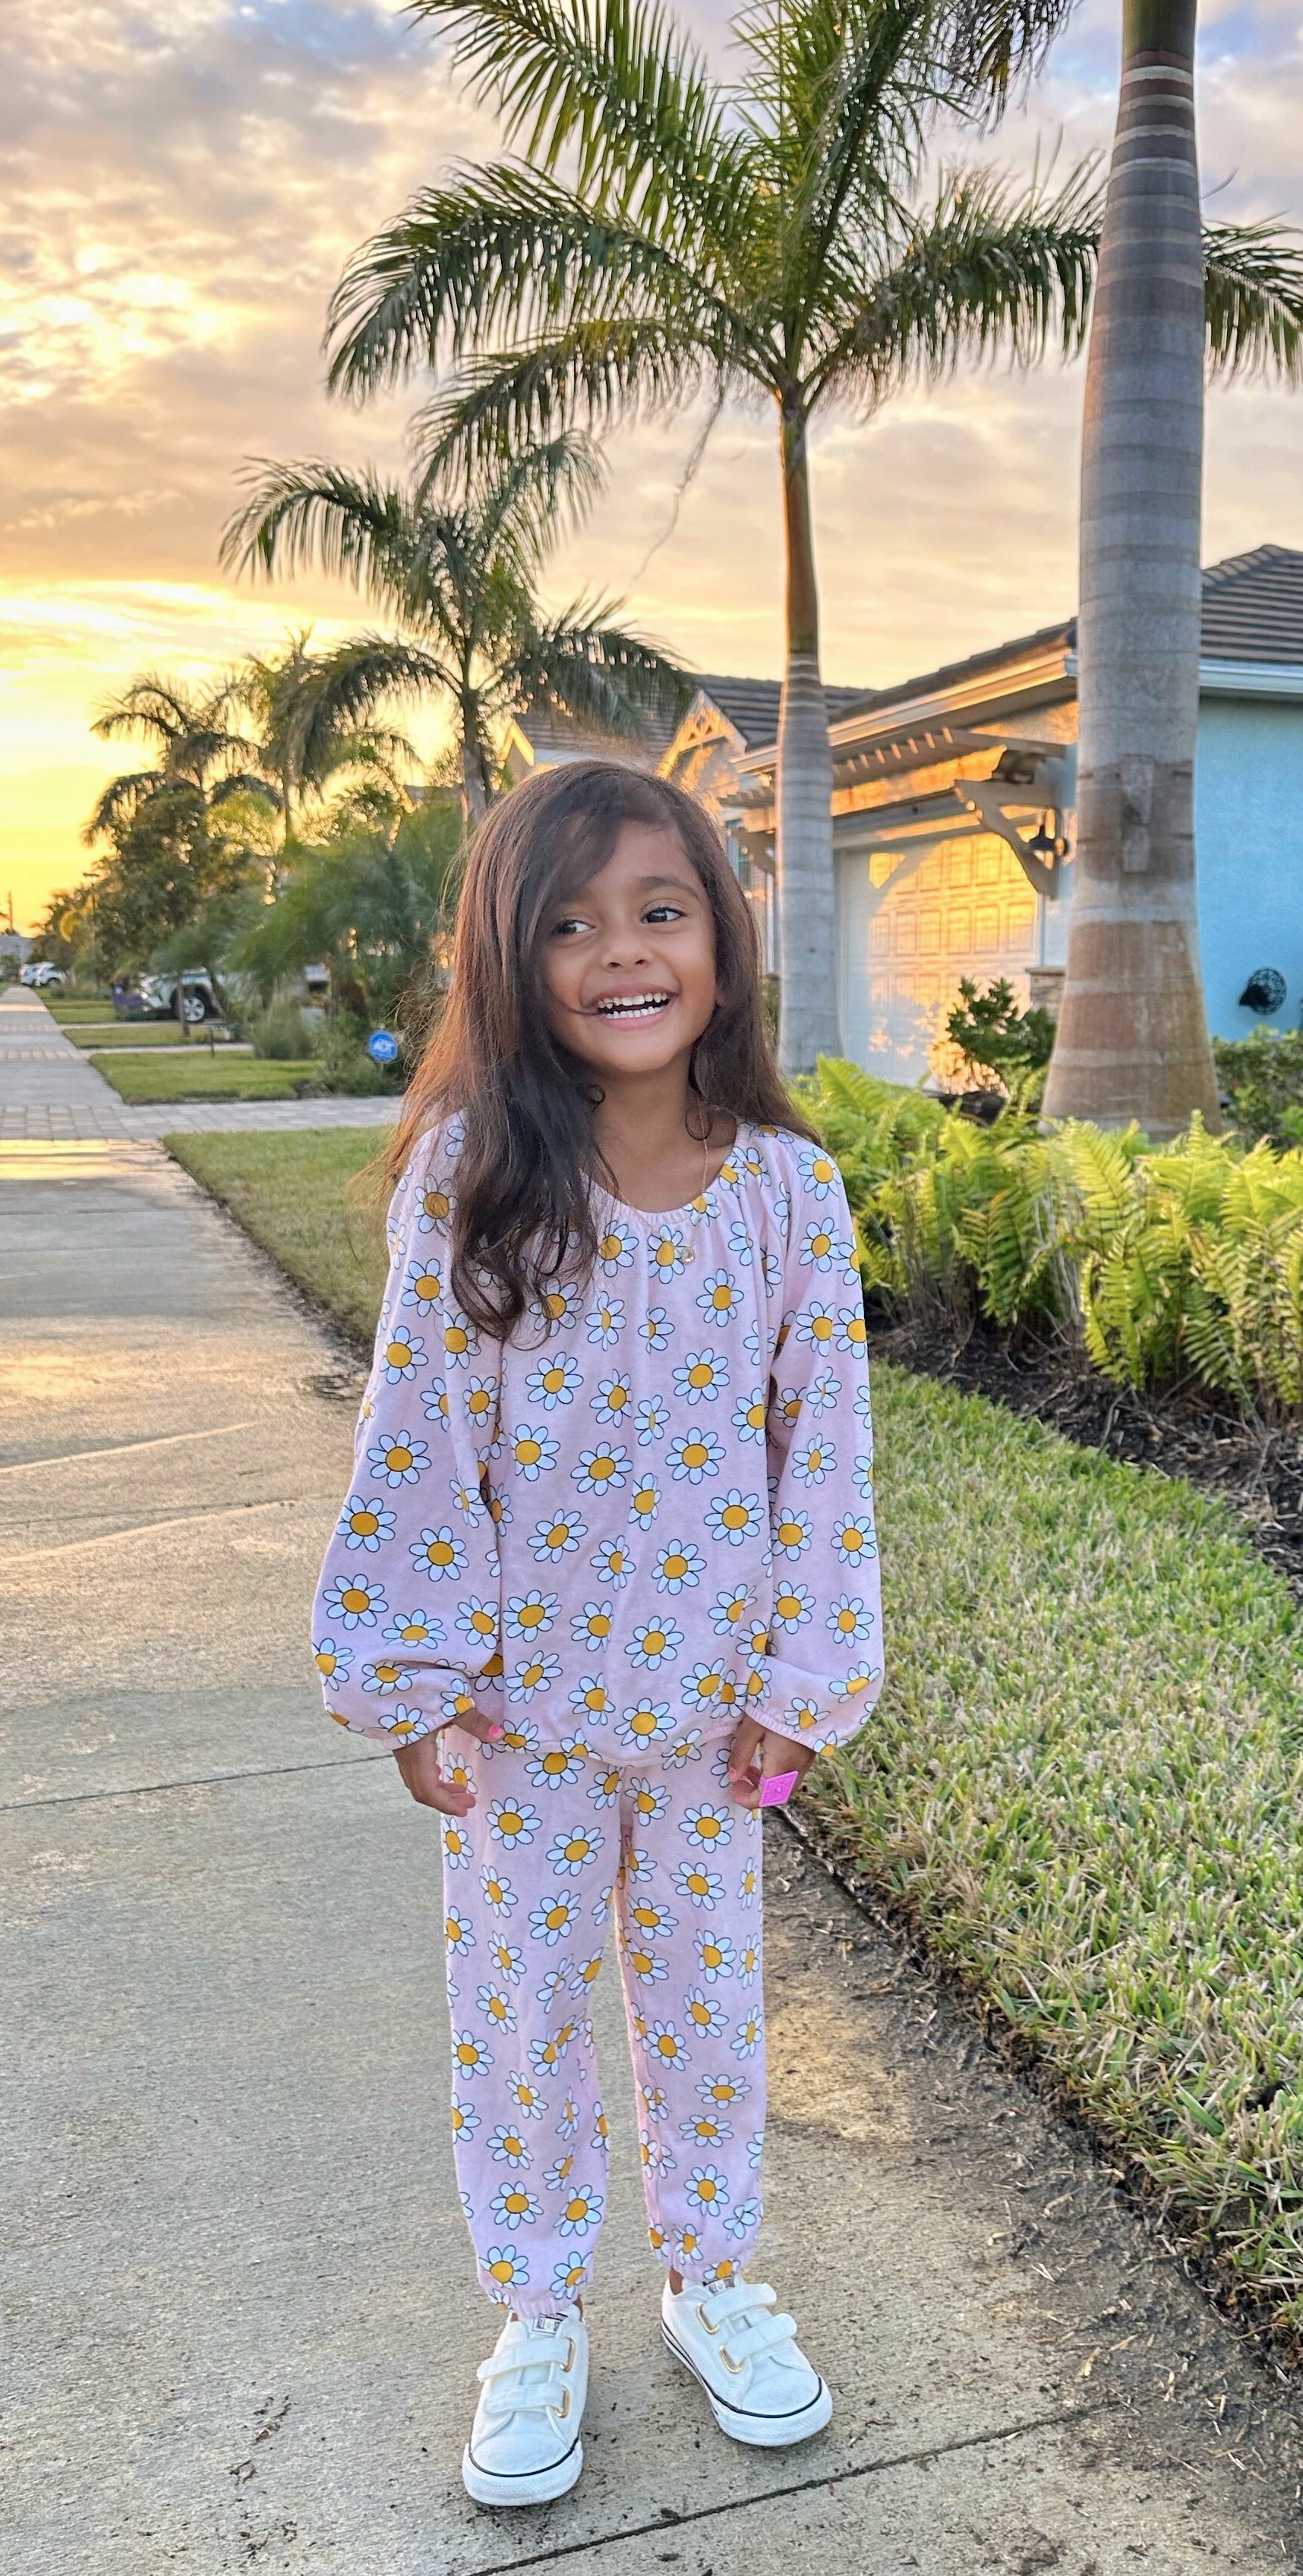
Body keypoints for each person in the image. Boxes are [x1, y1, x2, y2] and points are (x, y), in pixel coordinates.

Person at [311, 761, 882, 2508]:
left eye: (659, 908)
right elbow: (418, 1429)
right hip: (520, 1719)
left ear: (718, 933)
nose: (620, 951)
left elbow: (826, 1447)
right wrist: (407, 1676)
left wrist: (805, 1682)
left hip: (710, 1721)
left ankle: (714, 2276)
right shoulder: (474, 1179)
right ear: (508, 954)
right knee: (522, 2014)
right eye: (567, 921)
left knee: (709, 2012)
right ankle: (539, 2310)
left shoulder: (787, 1190)